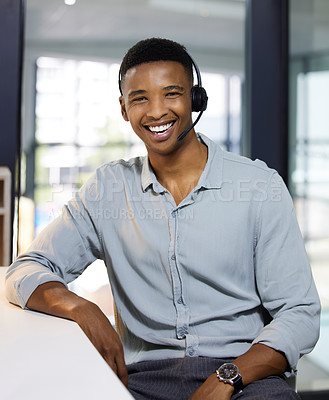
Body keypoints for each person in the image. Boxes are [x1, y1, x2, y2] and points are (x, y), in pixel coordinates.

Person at [6, 38, 321, 400]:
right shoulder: (108, 188)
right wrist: (80, 307)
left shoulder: (259, 187)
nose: (156, 112)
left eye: (171, 94)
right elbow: (26, 268)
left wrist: (226, 377)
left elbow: (299, 313)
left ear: (195, 100)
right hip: (140, 379)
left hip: (244, 377)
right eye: (140, 98)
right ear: (124, 109)